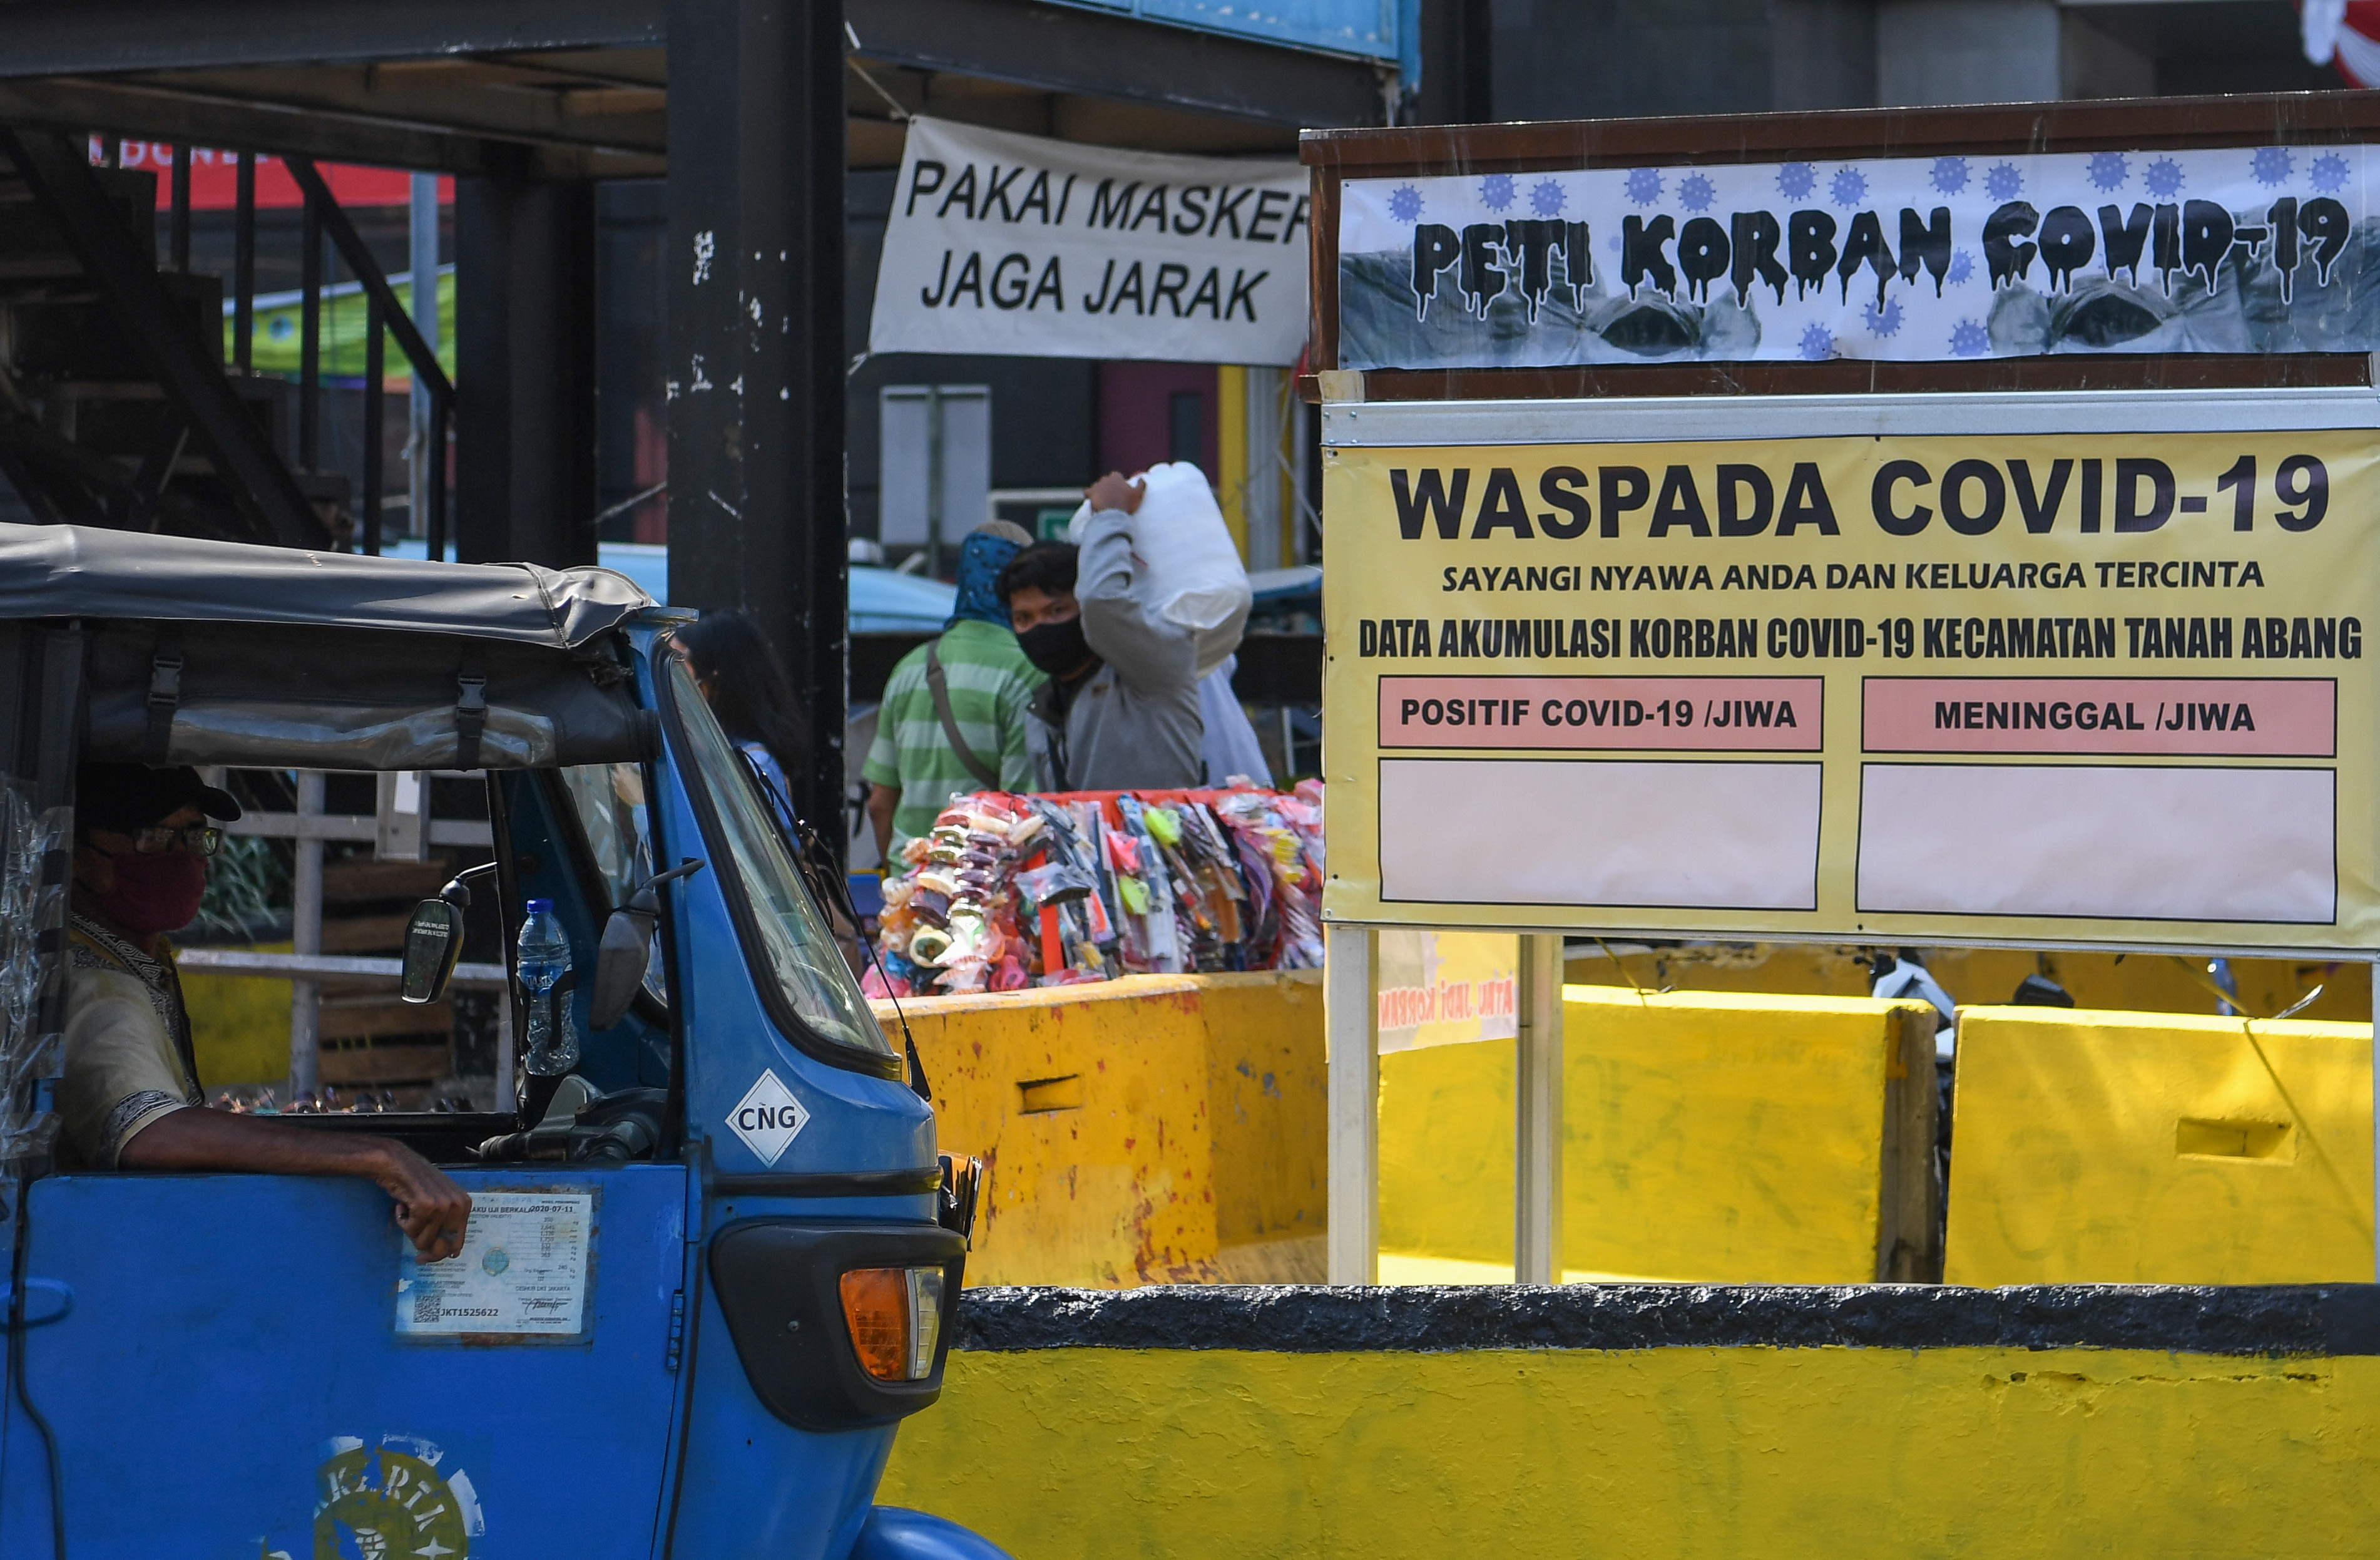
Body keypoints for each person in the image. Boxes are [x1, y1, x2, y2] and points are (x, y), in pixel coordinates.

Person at [59, 763, 472, 1260]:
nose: (183, 858)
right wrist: (381, 1157)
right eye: (152, 840)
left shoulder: (139, 956)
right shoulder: (98, 983)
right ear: (78, 855)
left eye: (194, 837)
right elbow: (147, 1132)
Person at [999, 473, 1203, 792]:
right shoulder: (1041, 711)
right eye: (1024, 618)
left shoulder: (1153, 665)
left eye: (1056, 611)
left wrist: (1111, 516)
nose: (1040, 627)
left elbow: (1101, 601)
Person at [862, 521, 1042, 863]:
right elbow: (1022, 812)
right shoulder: (1027, 673)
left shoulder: (908, 669)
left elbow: (879, 804)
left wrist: (900, 871)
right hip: (982, 893)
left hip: (911, 894)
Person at [675, 609, 810, 834]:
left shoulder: (753, 765)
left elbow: (711, 848)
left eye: (683, 672)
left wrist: (639, 804)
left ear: (714, 680)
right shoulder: (710, 747)